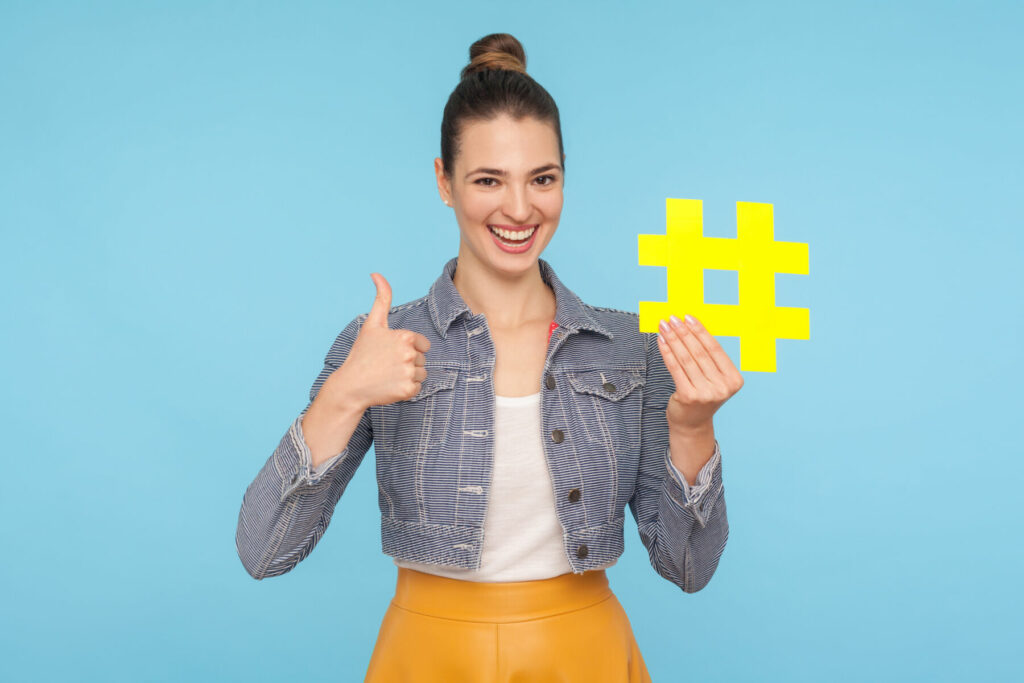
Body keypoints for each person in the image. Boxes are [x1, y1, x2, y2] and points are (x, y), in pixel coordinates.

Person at [236, 32, 742, 682]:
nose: (519, 208)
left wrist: (694, 427)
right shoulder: (381, 342)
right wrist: (343, 394)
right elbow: (263, 550)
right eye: (487, 180)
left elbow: (689, 568)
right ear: (444, 181)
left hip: (582, 653)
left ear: (564, 177)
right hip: (428, 656)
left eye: (542, 179)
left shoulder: (631, 347)